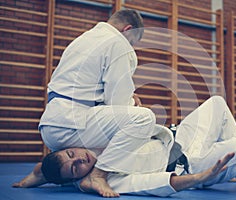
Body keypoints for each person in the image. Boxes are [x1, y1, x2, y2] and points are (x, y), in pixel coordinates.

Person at [13, 96, 236, 197]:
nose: (80, 158)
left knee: (216, 103)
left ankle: (233, 165)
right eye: (76, 167)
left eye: (72, 153)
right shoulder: (104, 181)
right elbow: (158, 184)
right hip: (187, 163)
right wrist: (204, 177)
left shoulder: (84, 146)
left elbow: (45, 168)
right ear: (78, 178)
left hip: (177, 138)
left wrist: (35, 177)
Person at [37, 9, 161, 196]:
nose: (131, 47)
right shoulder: (118, 43)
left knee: (93, 153)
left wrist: (129, 98)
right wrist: (133, 103)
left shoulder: (83, 39)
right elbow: (116, 102)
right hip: (72, 126)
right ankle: (98, 176)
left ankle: (43, 173)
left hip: (50, 129)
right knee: (143, 120)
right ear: (127, 30)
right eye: (132, 42)